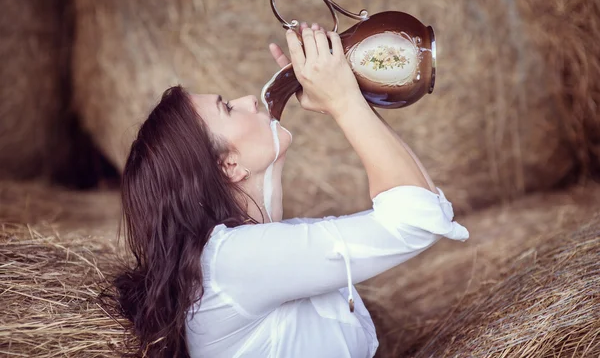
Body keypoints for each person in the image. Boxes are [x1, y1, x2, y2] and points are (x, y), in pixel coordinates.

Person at [113, 22, 469, 358]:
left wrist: (348, 97)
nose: (249, 99)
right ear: (228, 166)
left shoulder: (259, 248)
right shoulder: (234, 260)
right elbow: (417, 218)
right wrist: (343, 102)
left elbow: (428, 203)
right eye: (227, 107)